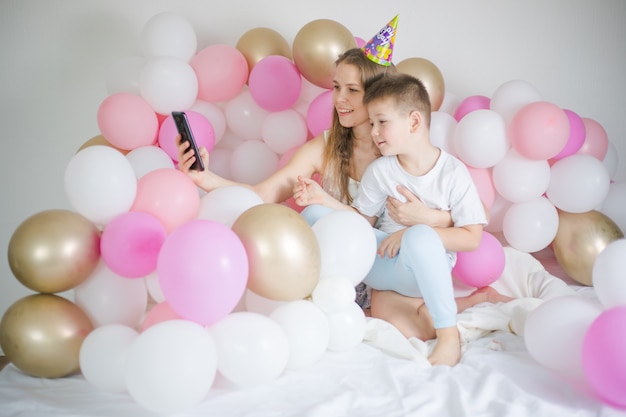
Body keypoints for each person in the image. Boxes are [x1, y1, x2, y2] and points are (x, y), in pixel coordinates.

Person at [178, 47, 510, 355]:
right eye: (336, 87)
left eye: (352, 90)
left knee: (418, 324)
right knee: (313, 226)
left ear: (379, 95)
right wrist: (206, 179)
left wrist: (429, 218)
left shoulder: (407, 148)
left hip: (400, 262)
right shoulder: (327, 148)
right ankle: (447, 305)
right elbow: (267, 193)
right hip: (353, 266)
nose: (339, 99)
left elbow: (474, 215)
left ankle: (455, 310)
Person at [293, 72, 496, 366]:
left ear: (414, 122)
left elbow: (472, 237)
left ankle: (449, 336)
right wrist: (323, 200)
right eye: (372, 122)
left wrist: (414, 232)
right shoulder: (382, 170)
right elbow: (360, 224)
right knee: (313, 215)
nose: (374, 131)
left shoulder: (452, 173)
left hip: (417, 269)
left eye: (381, 122)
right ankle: (315, 302)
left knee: (419, 237)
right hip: (381, 261)